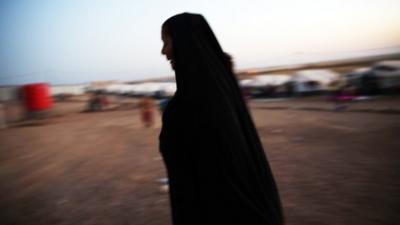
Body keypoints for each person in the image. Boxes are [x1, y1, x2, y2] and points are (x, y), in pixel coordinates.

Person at [159, 13, 284, 225]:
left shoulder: (195, 102)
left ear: (185, 42)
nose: (163, 51)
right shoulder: (222, 90)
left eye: (166, 42)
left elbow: (219, 175)